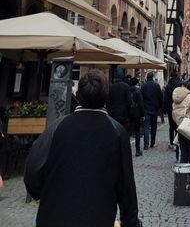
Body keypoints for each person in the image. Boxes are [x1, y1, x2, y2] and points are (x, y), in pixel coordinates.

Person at [24, 68, 141, 227]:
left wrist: (43, 192)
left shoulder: (56, 127)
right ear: (106, 98)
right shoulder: (118, 133)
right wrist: (130, 222)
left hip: (53, 217)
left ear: (78, 96)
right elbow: (126, 188)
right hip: (98, 218)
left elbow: (32, 171)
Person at [141, 71, 163, 150]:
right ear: (153, 77)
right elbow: (160, 97)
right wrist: (160, 106)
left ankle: (146, 144)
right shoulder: (156, 85)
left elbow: (141, 98)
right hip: (154, 108)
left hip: (146, 108)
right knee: (154, 126)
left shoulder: (143, 86)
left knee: (146, 127)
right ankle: (152, 143)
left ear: (147, 77)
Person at [163, 70, 182, 149]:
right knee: (178, 125)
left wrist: (164, 109)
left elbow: (166, 99)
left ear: (170, 77)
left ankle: (171, 143)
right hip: (179, 108)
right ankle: (177, 141)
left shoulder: (168, 86)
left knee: (171, 126)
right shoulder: (180, 85)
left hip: (171, 108)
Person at [128, 76, 145, 157]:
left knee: (128, 132)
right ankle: (137, 150)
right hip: (137, 114)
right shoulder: (138, 91)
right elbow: (141, 104)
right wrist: (142, 114)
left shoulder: (127, 90)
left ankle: (127, 150)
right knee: (137, 132)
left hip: (129, 114)